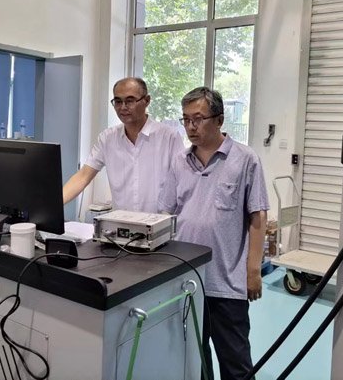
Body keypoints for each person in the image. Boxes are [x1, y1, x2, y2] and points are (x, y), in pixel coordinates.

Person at [158, 87, 269, 380]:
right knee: (196, 361)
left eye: (198, 119)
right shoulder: (179, 161)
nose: (191, 126)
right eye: (185, 119)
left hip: (226, 283)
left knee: (236, 363)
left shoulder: (245, 159)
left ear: (219, 120)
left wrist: (253, 271)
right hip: (186, 280)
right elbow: (166, 213)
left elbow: (258, 217)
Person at [63, 77, 184, 213]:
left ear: (147, 100)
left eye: (130, 101)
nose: (123, 107)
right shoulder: (107, 138)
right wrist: (52, 206)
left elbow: (183, 182)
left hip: (159, 223)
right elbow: (83, 176)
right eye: (118, 102)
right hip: (121, 223)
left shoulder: (168, 136)